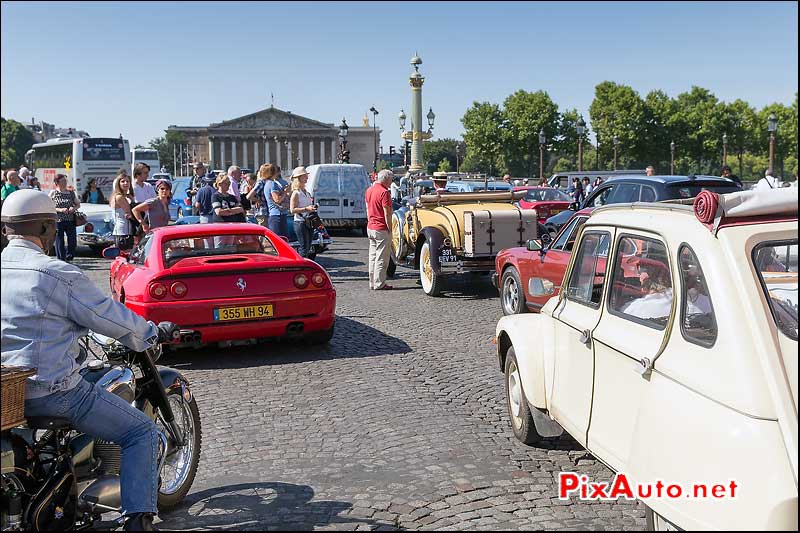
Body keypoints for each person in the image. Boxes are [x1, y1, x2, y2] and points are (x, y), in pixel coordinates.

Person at [1, 188, 178, 532]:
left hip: (6, 396)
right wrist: (152, 333)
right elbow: (111, 318)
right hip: (51, 393)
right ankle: (138, 521)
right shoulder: (56, 274)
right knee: (141, 431)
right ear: (46, 230)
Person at [365, 169, 394, 290]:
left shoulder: (369, 190)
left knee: (372, 256)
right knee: (382, 257)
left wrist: (370, 221)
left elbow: (367, 208)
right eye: (391, 179)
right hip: (381, 228)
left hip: (370, 226)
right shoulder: (384, 192)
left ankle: (372, 282)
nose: (391, 182)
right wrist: (390, 229)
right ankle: (379, 283)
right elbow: (387, 212)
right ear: (386, 179)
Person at [50, 174, 80, 262]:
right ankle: (61, 258)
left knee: (72, 240)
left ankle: (69, 255)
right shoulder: (53, 193)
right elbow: (49, 206)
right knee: (59, 240)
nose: (65, 183)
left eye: (65, 181)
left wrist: (73, 208)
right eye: (63, 181)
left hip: (70, 219)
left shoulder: (70, 192)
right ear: (57, 182)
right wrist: (60, 209)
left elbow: (78, 204)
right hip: (58, 220)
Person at [289, 166, 317, 258]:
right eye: (305, 176)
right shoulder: (296, 193)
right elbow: (292, 210)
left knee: (308, 247)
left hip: (309, 221)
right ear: (299, 178)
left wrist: (313, 207)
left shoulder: (306, 192)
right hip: (300, 222)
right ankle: (302, 266)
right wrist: (306, 209)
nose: (307, 177)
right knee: (304, 248)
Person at [109, 173, 136, 250]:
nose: (125, 183)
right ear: (118, 183)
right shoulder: (119, 197)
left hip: (124, 230)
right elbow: (130, 213)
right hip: (123, 231)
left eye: (127, 181)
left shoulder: (123, 196)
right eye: (123, 181)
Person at [248, 164, 276, 228]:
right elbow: (249, 196)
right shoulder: (261, 182)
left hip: (267, 211)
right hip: (262, 212)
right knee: (263, 233)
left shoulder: (268, 182)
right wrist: (258, 200)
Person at [267, 165, 291, 239]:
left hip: (279, 213)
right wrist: (285, 192)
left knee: (282, 238)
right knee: (281, 239)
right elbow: (277, 200)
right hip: (277, 214)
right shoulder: (272, 184)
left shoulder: (268, 183)